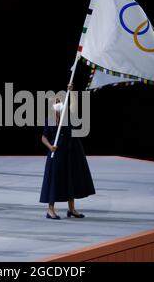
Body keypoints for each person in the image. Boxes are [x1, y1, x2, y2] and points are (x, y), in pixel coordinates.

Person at [40, 84, 96, 219]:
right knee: (54, 179)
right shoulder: (50, 120)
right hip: (56, 152)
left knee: (71, 178)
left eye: (60, 102)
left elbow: (74, 106)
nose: (58, 104)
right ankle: (50, 210)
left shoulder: (67, 115)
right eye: (56, 102)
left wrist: (71, 92)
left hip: (71, 151)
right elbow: (43, 137)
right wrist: (50, 146)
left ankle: (72, 209)